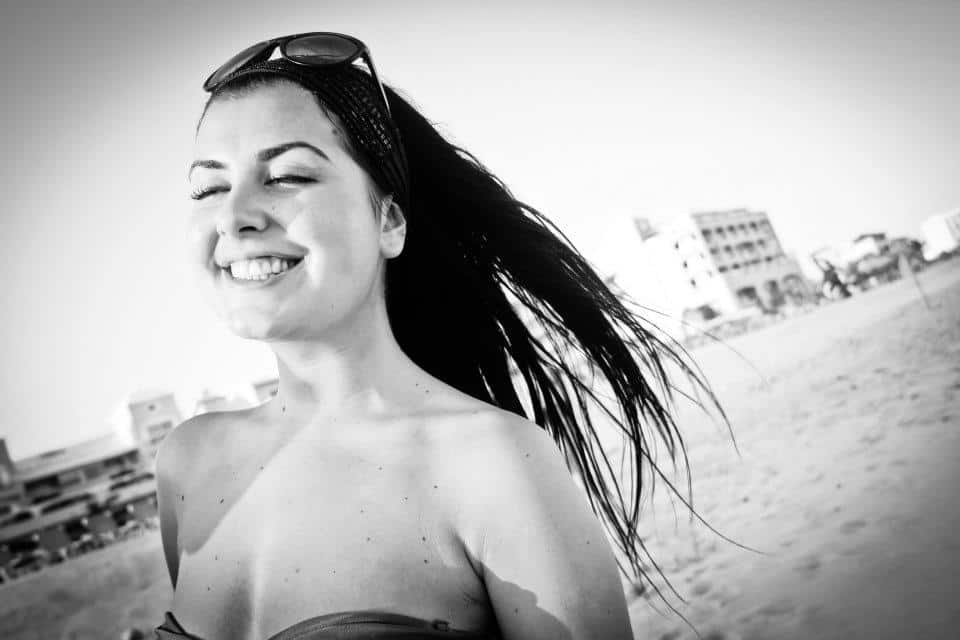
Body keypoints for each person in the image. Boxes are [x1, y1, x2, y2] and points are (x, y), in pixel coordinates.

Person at [156, 32, 719, 640]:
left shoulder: (495, 465)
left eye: (287, 176)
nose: (233, 215)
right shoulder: (188, 463)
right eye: (209, 188)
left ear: (389, 222)